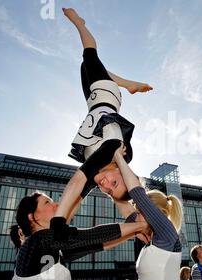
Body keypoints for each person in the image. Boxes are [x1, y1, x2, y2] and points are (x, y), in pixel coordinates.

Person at [51, 7, 152, 230]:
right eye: (114, 182)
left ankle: (127, 83)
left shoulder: (100, 171)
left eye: (108, 190)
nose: (104, 185)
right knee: (89, 54)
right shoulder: (111, 148)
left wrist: (61, 224)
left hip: (93, 100)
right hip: (105, 97)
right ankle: (79, 22)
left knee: (86, 66)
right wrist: (57, 221)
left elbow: (77, 196)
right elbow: (77, 181)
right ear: (123, 172)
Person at [10, 192, 148, 280]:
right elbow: (92, 235)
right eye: (47, 202)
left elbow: (98, 244)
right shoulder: (39, 241)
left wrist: (134, 232)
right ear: (33, 216)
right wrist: (141, 225)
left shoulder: (50, 247)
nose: (56, 205)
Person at [111, 145, 184, 280]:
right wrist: (109, 187)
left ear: (153, 214)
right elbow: (124, 206)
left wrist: (118, 157)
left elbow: (138, 194)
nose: (134, 216)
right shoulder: (151, 239)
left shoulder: (166, 233)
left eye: (139, 212)